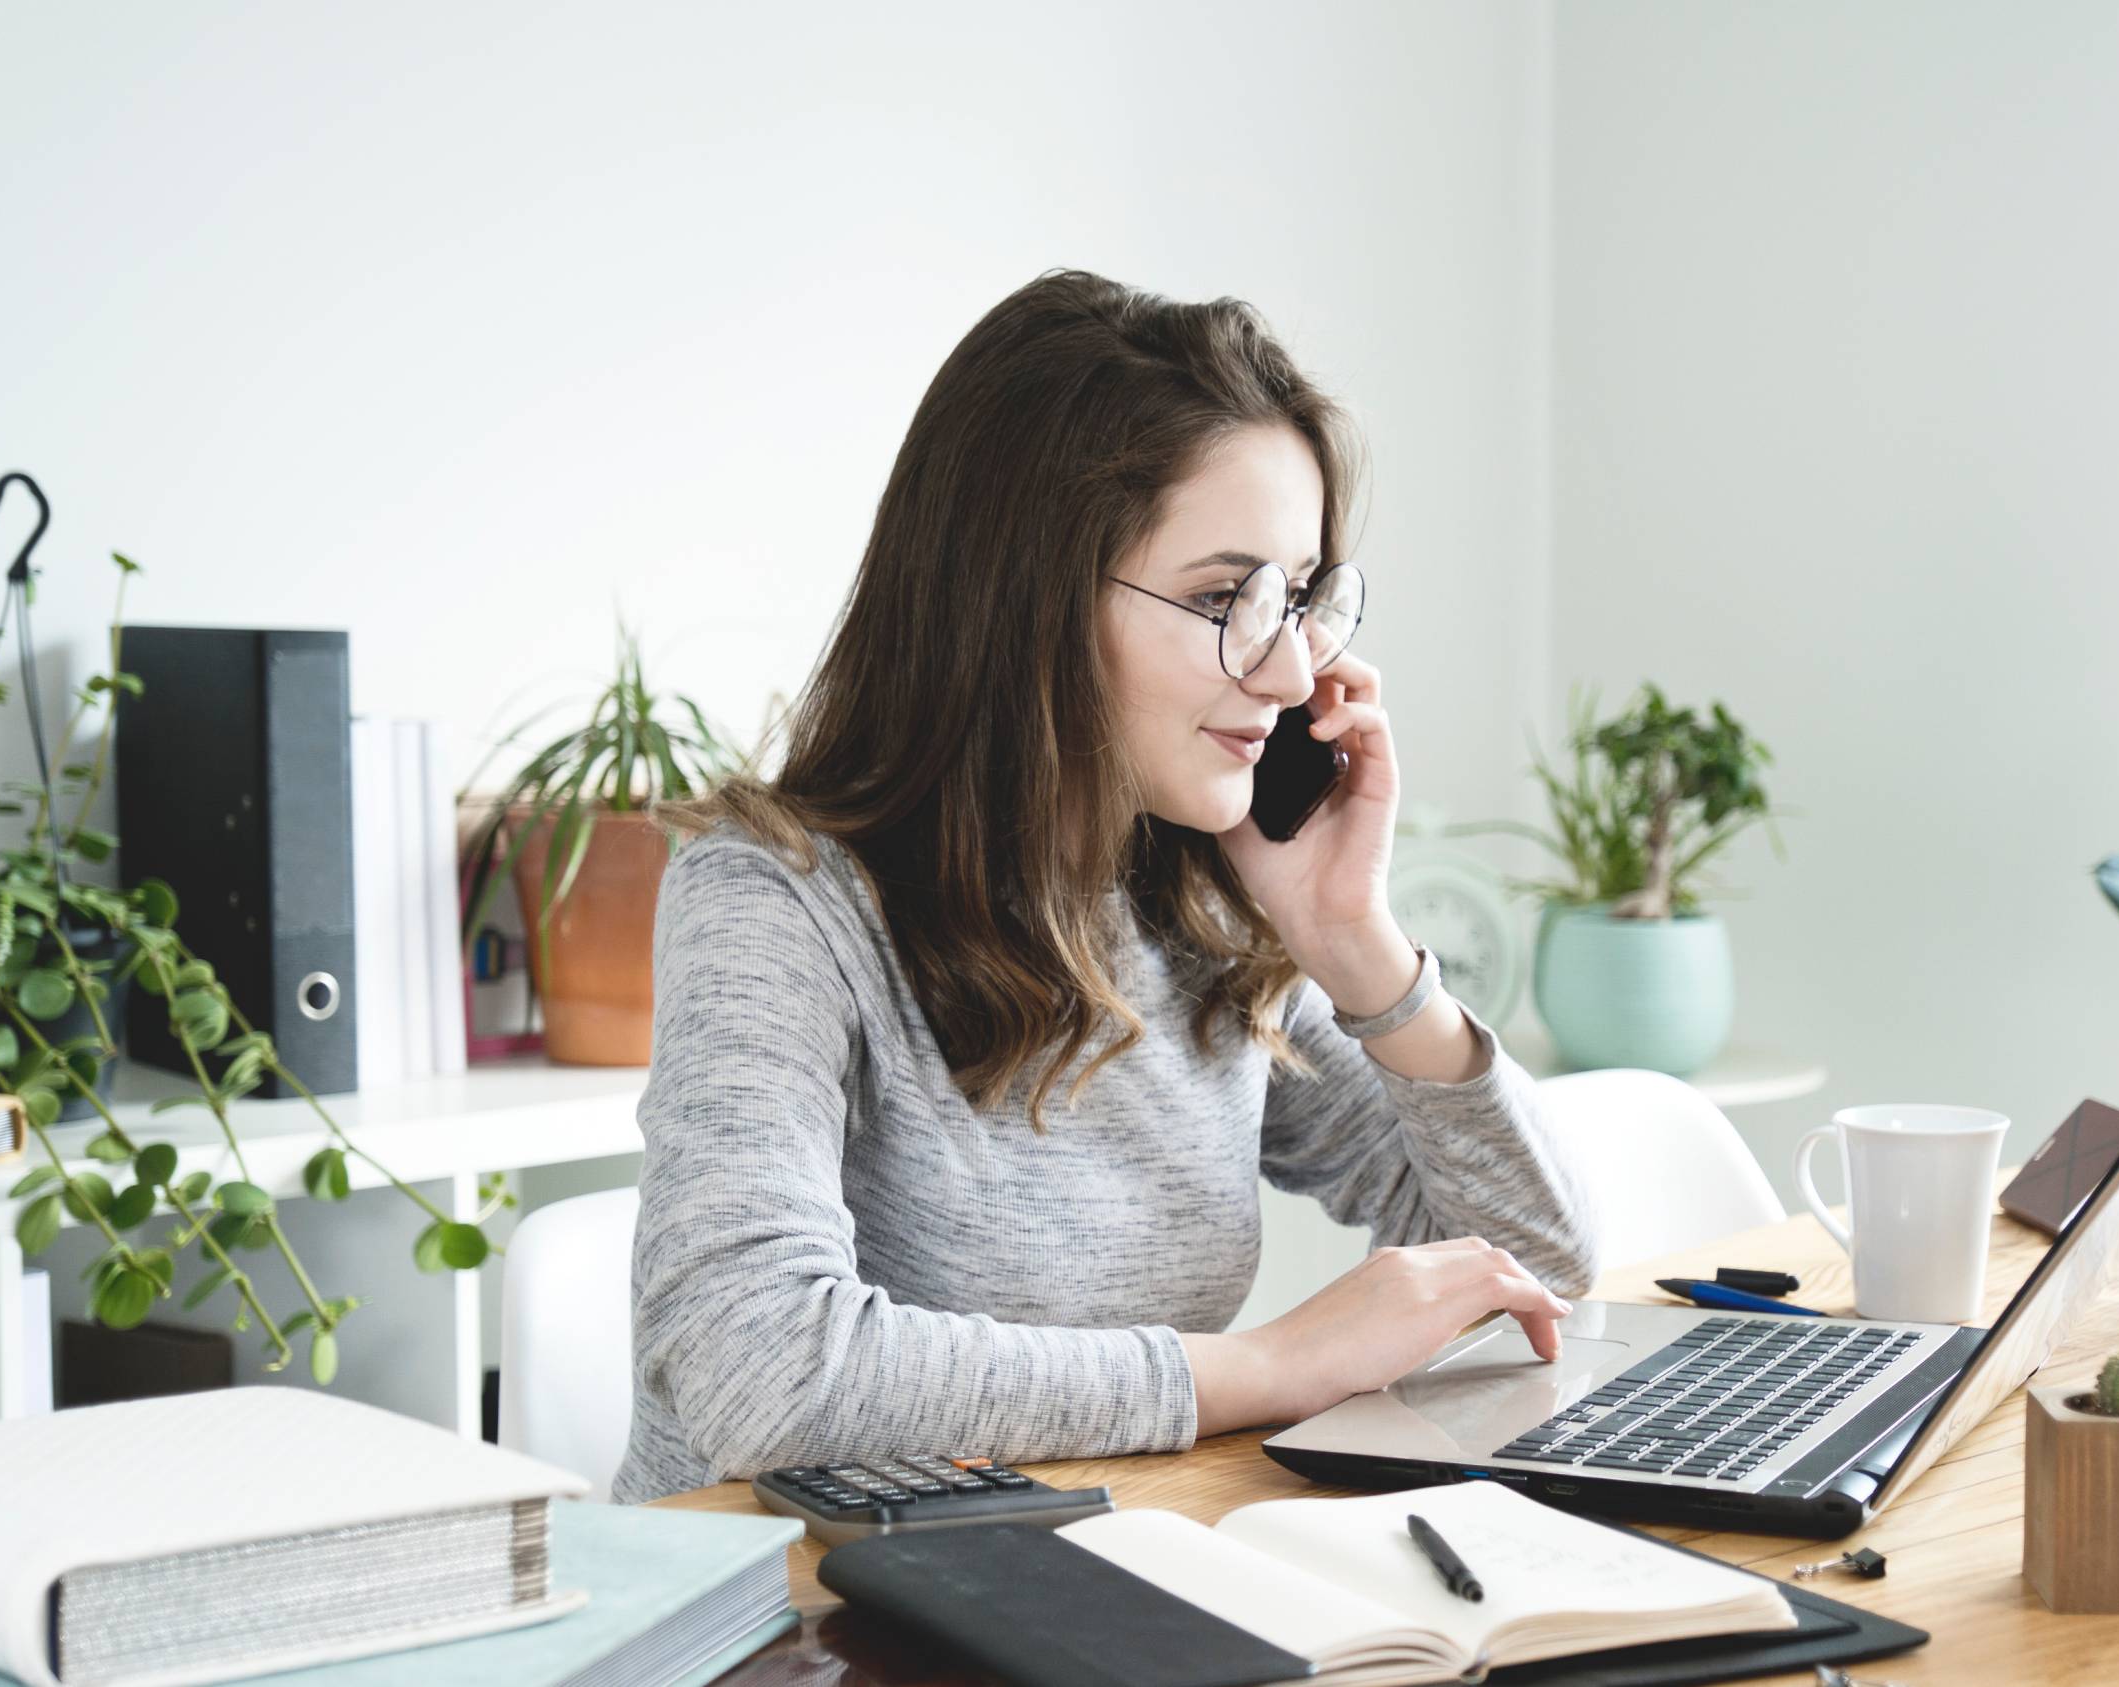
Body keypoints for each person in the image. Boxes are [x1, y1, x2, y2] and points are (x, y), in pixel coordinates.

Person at [607, 269, 1603, 1504]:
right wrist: (1263, 1368)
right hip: (789, 1619)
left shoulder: (1199, 903)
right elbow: (758, 1367)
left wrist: (1356, 945)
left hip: (1090, 1571)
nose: (1292, 670)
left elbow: (1537, 1269)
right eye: (1218, 598)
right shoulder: (778, 896)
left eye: (1296, 598)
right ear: (1021, 602)